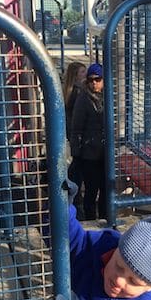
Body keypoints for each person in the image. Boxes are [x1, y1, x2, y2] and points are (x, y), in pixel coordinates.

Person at [71, 63, 106, 220]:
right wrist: (77, 154)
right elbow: (76, 128)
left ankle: (105, 217)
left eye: (97, 79)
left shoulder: (107, 97)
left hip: (105, 152)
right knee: (91, 189)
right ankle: (91, 218)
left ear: (103, 80)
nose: (94, 83)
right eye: (91, 80)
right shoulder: (83, 99)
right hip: (89, 154)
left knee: (106, 189)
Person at [63, 61, 87, 217]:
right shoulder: (79, 92)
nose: (86, 75)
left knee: (76, 163)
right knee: (78, 166)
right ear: (76, 75)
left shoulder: (67, 91)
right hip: (79, 134)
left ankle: (74, 192)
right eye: (83, 73)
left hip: (71, 133)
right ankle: (74, 194)